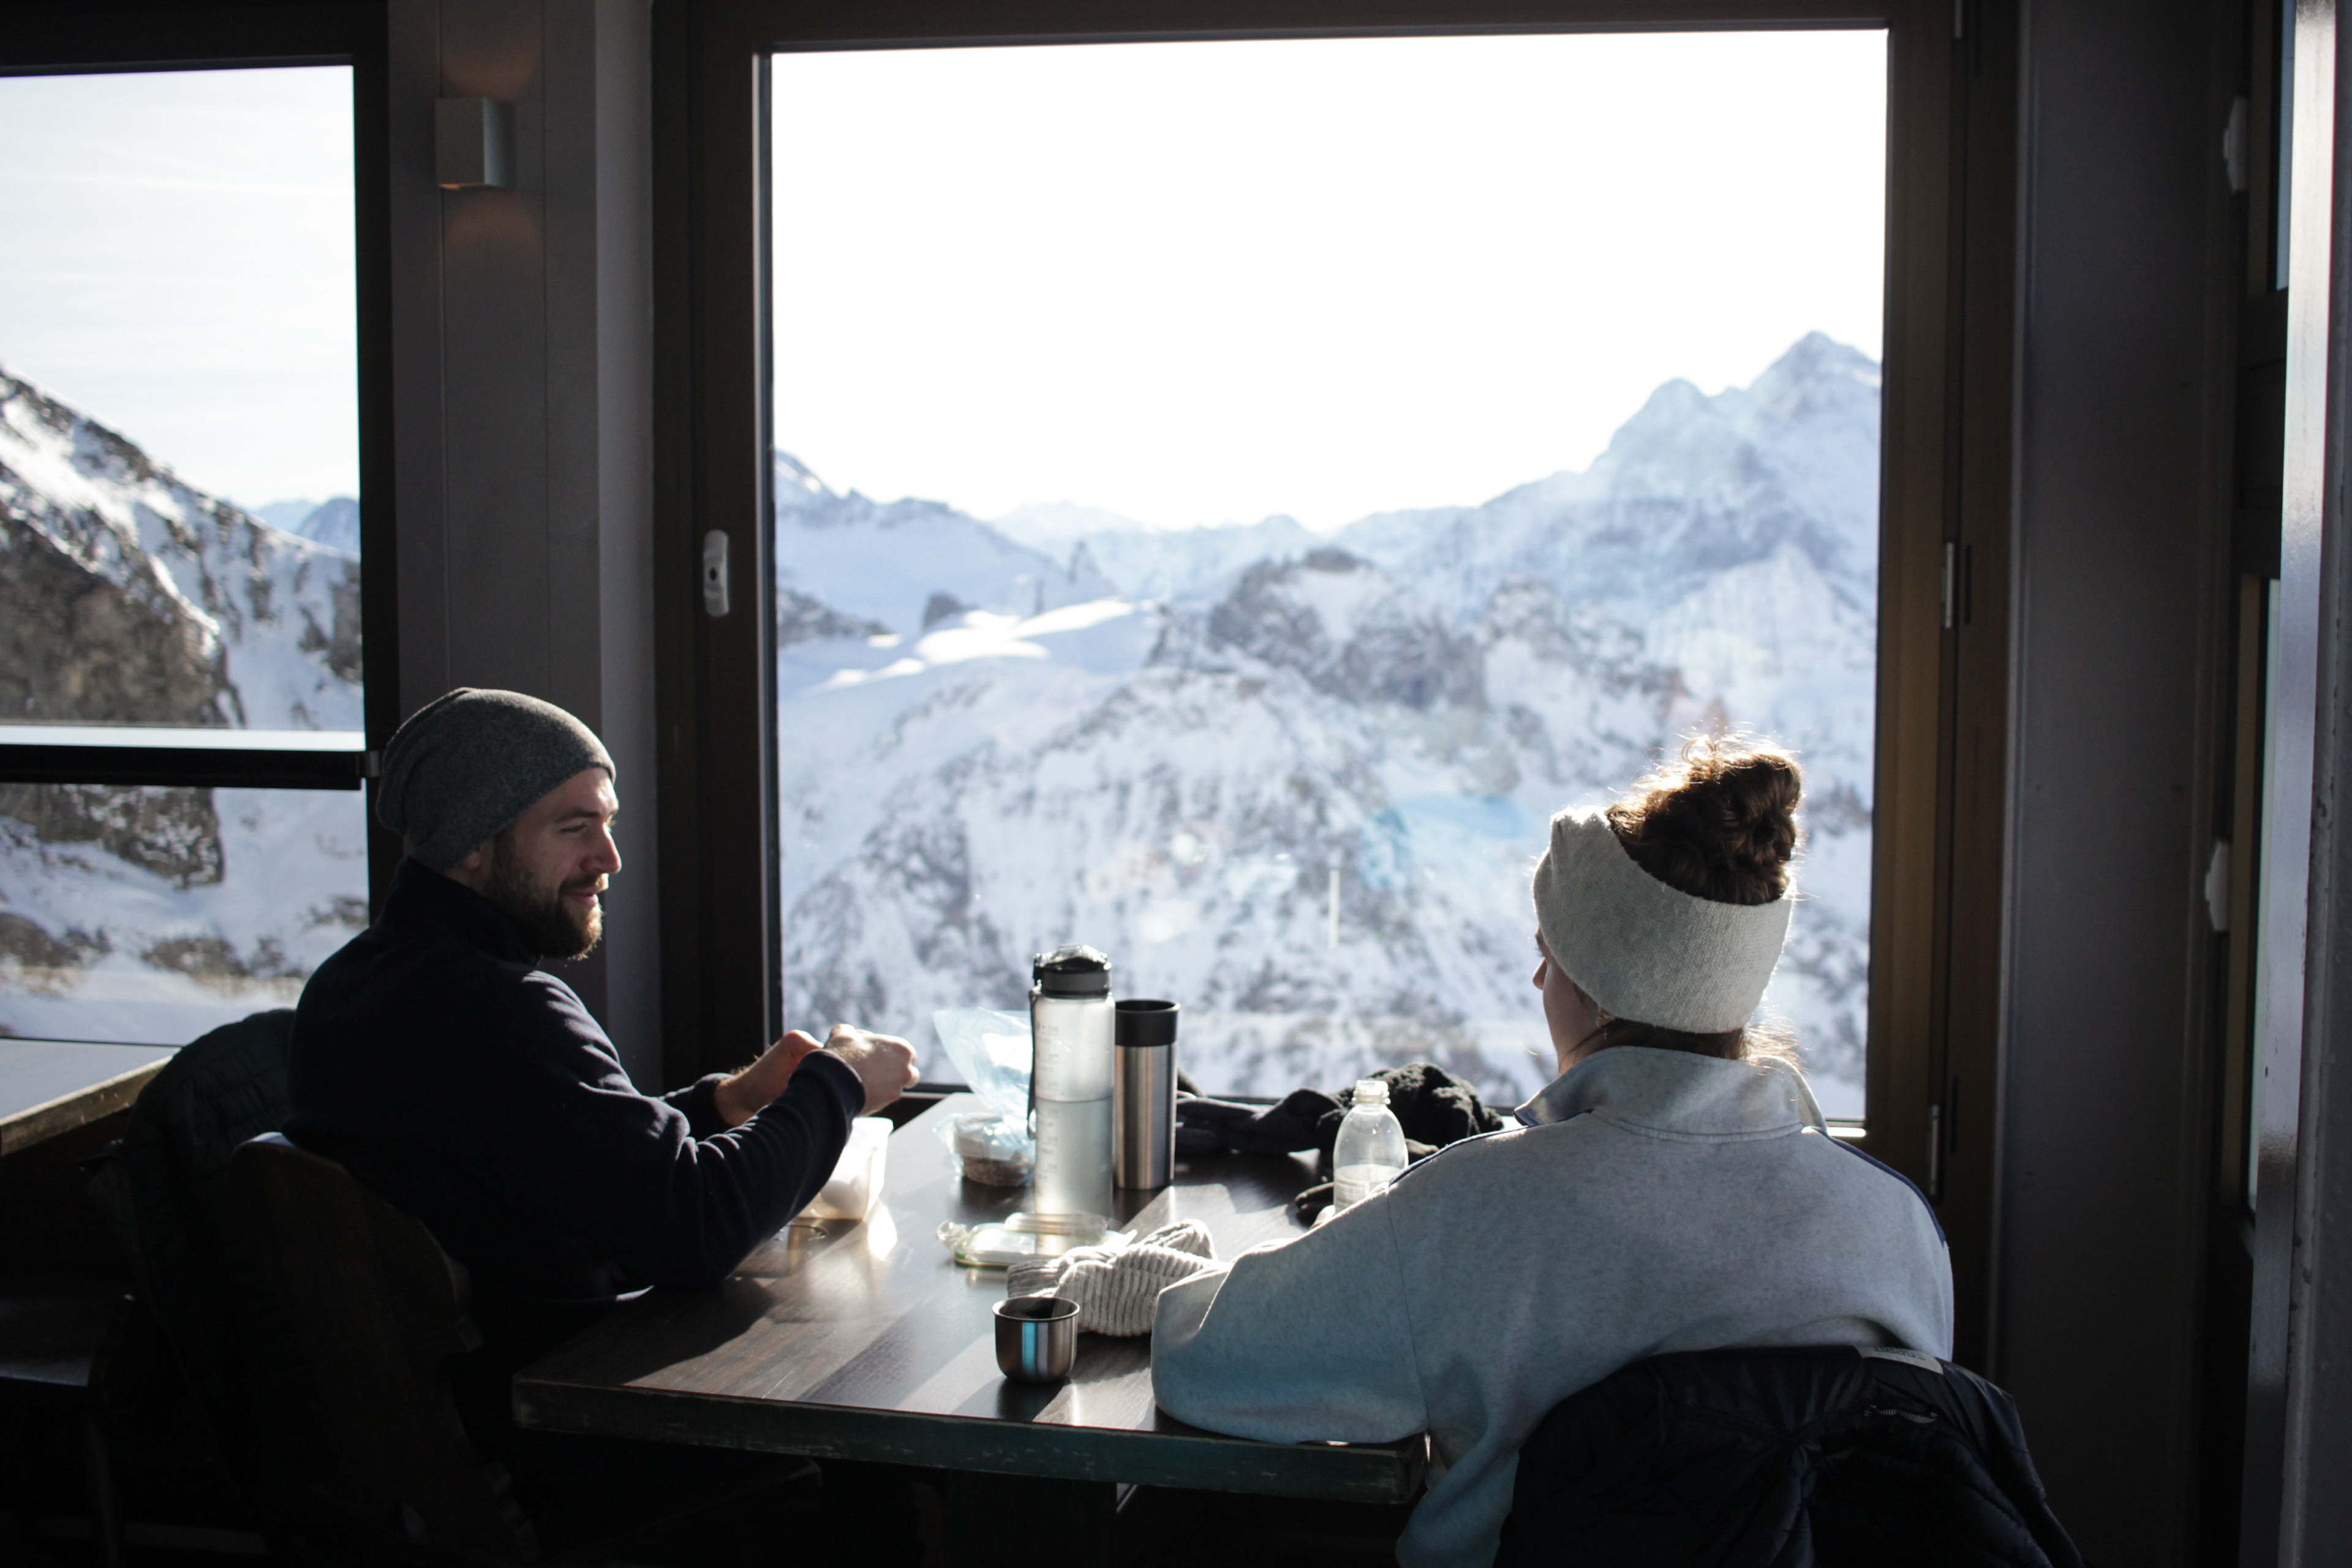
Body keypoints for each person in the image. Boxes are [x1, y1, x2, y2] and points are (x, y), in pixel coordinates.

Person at [1149, 737, 1953, 1567]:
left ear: (1597, 984)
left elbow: (1211, 1356)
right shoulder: (1896, 1229)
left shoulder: (1486, 1206)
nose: (1540, 983)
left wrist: (1167, 1280)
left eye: (1550, 953)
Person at [286, 687, 919, 1364]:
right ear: (470, 841)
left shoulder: (353, 982)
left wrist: (723, 1105)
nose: (610, 857)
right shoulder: (501, 1012)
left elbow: (568, 1158)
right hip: (565, 1412)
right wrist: (838, 1079)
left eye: (608, 823)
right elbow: (695, 1228)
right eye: (573, 828)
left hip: (466, 1399)